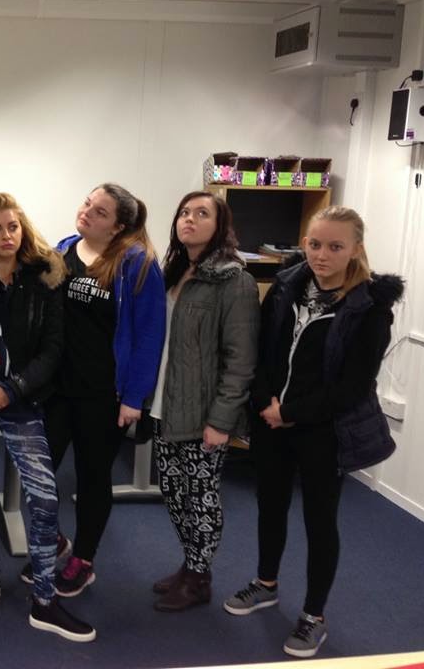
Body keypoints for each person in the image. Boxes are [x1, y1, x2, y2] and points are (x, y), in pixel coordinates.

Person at [223, 206, 402, 658]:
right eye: (315, 244)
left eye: (335, 247)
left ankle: (313, 616)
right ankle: (266, 583)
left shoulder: (369, 307)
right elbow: (262, 348)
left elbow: (354, 385)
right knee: (270, 506)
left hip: (323, 430)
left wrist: (292, 412)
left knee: (320, 521)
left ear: (356, 249)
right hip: (271, 421)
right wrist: (264, 402)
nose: (322, 255)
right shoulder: (286, 285)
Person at [0, 192, 95, 642]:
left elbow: (54, 347)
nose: (6, 236)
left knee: (44, 498)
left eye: (12, 227)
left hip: (23, 400)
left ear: (22, 228)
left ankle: (44, 600)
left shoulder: (46, 275)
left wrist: (14, 388)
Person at [24, 183, 165, 595]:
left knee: (91, 478)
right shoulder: (65, 249)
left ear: (118, 226)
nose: (87, 212)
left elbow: (150, 335)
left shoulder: (137, 263)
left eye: (100, 212)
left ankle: (83, 560)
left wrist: (135, 398)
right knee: (38, 473)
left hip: (104, 394)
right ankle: (53, 541)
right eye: (88, 203)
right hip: (57, 389)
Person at [149, 190, 259, 611]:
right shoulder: (174, 271)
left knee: (201, 496)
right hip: (165, 406)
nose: (189, 219)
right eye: (184, 212)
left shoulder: (234, 280)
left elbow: (240, 359)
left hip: (204, 413)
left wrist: (221, 420)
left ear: (220, 225)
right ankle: (191, 564)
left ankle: (199, 578)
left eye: (201, 213)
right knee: (174, 492)